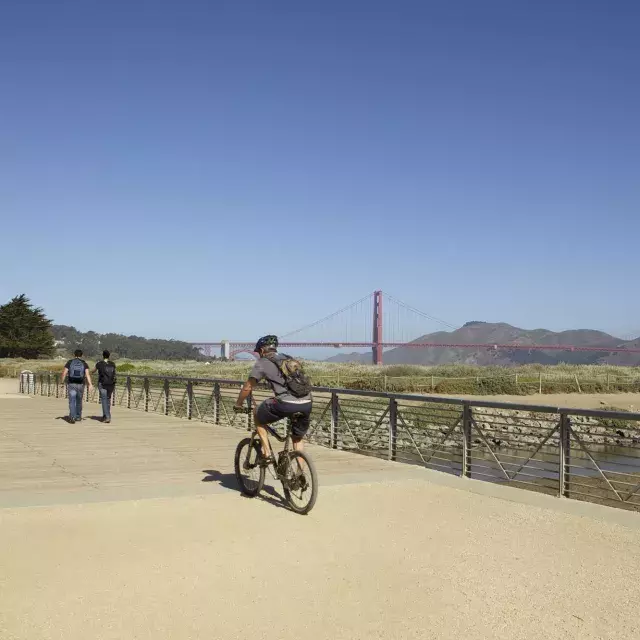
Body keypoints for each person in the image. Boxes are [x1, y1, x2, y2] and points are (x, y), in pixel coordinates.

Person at [234, 335, 312, 462]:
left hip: (286, 403)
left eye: (258, 352)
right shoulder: (288, 359)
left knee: (257, 413)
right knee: (297, 438)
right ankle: (300, 475)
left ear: (262, 350)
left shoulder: (263, 362)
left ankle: (267, 452)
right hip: (307, 402)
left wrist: (238, 404)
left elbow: (247, 387)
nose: (259, 355)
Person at [61, 349, 93, 423]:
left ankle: (72, 417)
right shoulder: (84, 363)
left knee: (72, 401)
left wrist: (62, 383)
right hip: (81, 384)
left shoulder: (70, 362)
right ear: (81, 355)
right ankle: (78, 417)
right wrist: (90, 384)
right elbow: (87, 374)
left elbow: (64, 373)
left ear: (74, 354)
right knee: (79, 401)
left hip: (71, 384)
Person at [92, 350, 117, 423]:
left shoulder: (99, 364)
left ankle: (107, 417)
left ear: (103, 355)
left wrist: (88, 373)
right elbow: (114, 373)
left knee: (104, 400)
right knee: (108, 400)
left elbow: (93, 371)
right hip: (111, 384)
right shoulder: (113, 364)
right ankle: (106, 415)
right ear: (109, 356)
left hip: (102, 384)